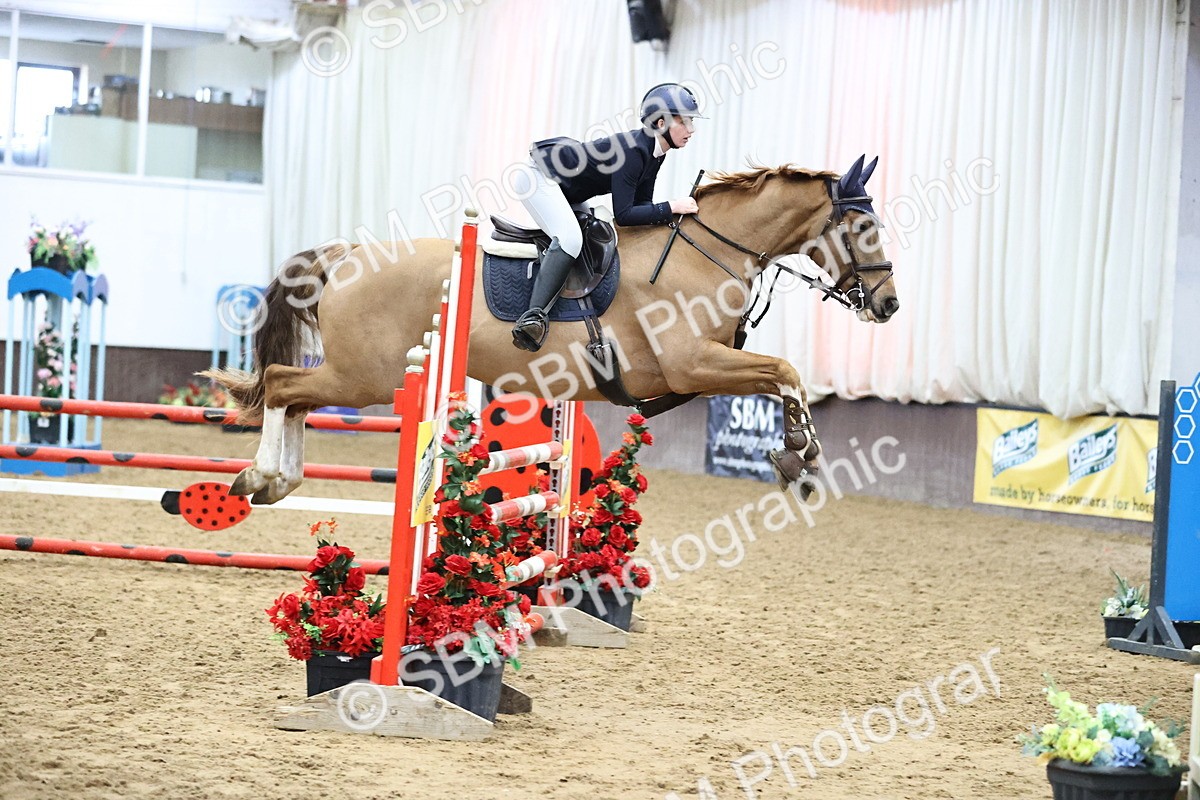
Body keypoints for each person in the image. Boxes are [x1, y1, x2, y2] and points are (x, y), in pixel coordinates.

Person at [509, 82, 704, 352]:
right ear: (661, 123)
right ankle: (532, 317)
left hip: (567, 189)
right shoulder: (634, 152)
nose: (691, 130)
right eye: (686, 122)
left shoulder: (655, 152)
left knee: (595, 232)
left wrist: (668, 216)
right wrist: (671, 207)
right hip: (538, 177)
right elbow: (624, 215)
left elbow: (643, 205)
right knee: (570, 239)